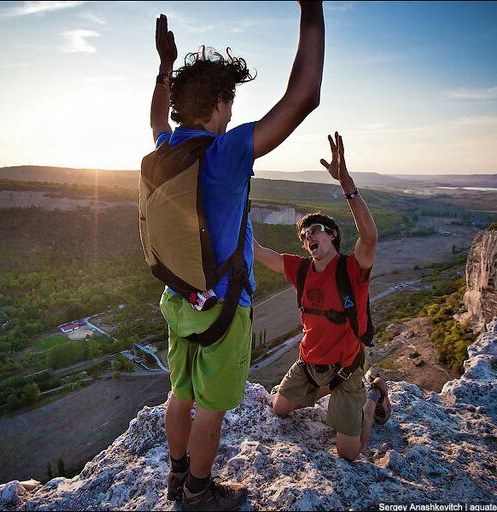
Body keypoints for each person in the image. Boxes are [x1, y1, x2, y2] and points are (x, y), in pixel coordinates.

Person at [149, 4, 325, 509]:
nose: (232, 112)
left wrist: (165, 65)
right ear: (221, 103)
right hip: (224, 307)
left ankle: (176, 476)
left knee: (179, 392)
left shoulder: (167, 147)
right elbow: (304, 97)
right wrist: (311, 11)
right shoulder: (225, 153)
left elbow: (156, 116)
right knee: (211, 407)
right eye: (230, 101)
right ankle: (199, 493)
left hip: (179, 297)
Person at [254, 132, 391, 462]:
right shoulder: (300, 269)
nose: (307, 237)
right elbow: (260, 252)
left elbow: (370, 237)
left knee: (349, 453)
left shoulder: (351, 270)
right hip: (308, 364)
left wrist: (347, 185)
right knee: (279, 408)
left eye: (314, 231)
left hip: (345, 370)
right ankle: (325, 393)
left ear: (332, 235)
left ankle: (373, 396)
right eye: (304, 236)